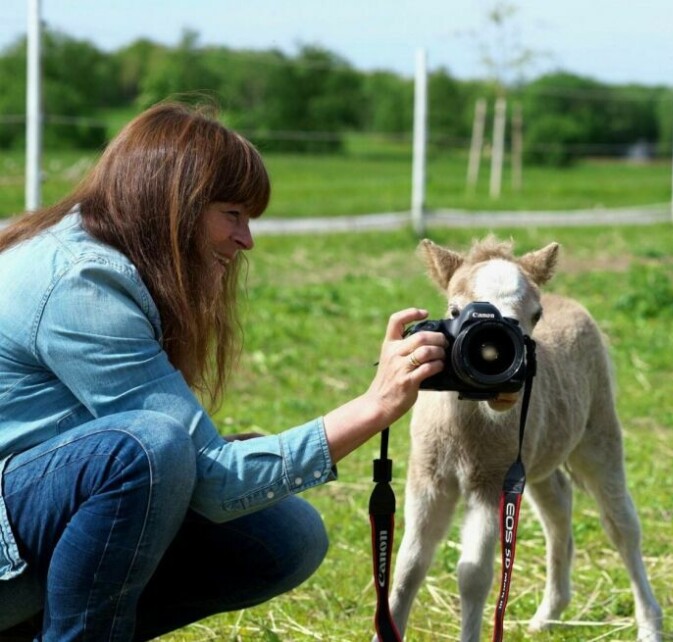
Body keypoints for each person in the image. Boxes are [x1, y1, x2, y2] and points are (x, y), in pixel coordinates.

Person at [0, 101, 447, 641]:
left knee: (285, 535)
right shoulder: (82, 284)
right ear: (173, 206)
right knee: (145, 449)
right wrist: (374, 407)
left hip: (25, 515)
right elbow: (201, 476)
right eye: (232, 215)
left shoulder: (99, 251)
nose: (246, 240)